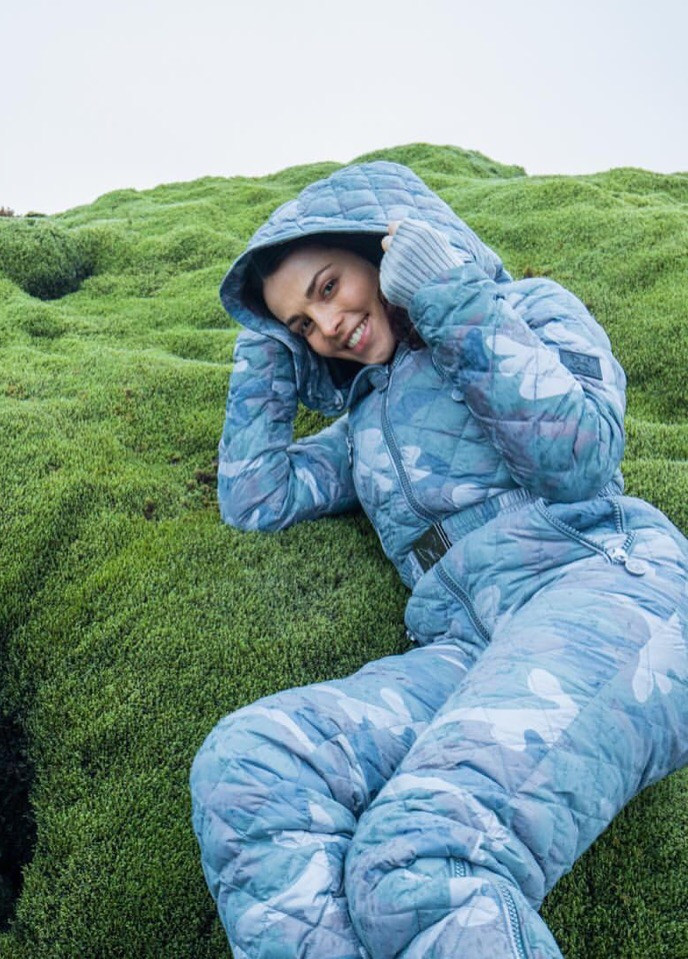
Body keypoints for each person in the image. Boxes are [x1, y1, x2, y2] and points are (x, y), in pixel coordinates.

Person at [188, 161, 688, 959]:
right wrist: (264, 357)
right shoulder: (364, 423)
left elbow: (582, 457)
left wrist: (450, 294)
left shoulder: (525, 310)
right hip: (468, 649)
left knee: (418, 856)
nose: (327, 326)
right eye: (302, 324)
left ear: (384, 247)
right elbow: (257, 497)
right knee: (249, 767)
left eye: (327, 287)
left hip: (606, 592)